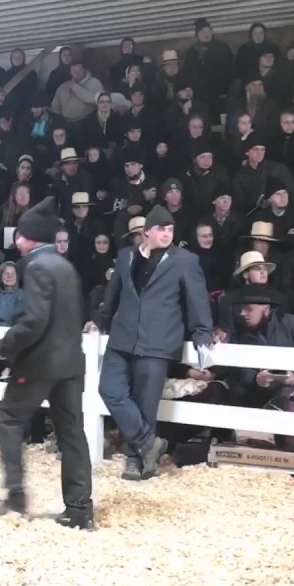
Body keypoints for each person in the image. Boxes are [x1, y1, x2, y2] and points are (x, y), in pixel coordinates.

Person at [0, 196, 93, 530]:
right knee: (72, 434)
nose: (16, 240)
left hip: (39, 364)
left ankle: (16, 494)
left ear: (26, 237)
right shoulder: (66, 266)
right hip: (72, 364)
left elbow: (35, 321)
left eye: (18, 234)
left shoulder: (36, 267)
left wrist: (5, 346)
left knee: (8, 419)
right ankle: (79, 509)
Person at [98, 204, 214, 482]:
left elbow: (197, 301)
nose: (166, 233)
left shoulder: (185, 260)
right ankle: (149, 443)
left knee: (145, 402)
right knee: (109, 390)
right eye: (160, 228)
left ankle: (136, 460)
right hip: (122, 336)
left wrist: (202, 334)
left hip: (159, 341)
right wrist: (99, 321)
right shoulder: (126, 256)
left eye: (170, 228)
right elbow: (112, 296)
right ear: (146, 232)